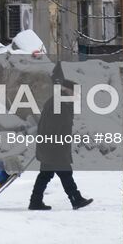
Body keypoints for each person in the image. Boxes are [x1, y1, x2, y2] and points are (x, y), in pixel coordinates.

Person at [29, 62, 93, 211]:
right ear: (68, 91)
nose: (76, 96)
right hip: (54, 147)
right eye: (75, 93)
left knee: (45, 175)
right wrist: (58, 144)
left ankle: (35, 201)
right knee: (65, 173)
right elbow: (54, 127)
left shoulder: (59, 102)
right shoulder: (60, 103)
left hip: (49, 146)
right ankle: (75, 199)